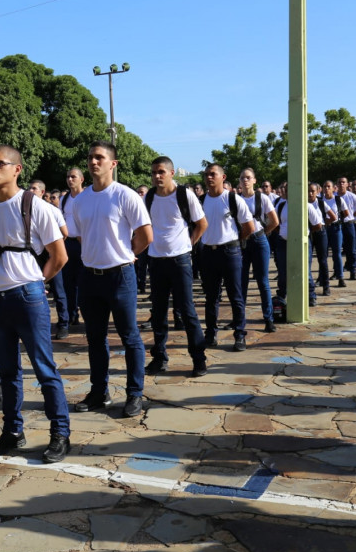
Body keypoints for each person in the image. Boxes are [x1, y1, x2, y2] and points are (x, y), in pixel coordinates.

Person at [0, 145, 70, 463]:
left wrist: (36, 282)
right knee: (6, 372)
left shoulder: (35, 206)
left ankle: (60, 433)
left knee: (44, 368)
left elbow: (60, 256)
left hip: (26, 297)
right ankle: (12, 432)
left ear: (17, 169)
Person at [72, 141, 152, 417]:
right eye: (90, 157)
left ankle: (134, 394)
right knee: (95, 338)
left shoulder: (125, 195)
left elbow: (146, 234)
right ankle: (99, 392)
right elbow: (80, 233)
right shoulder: (80, 199)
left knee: (129, 337)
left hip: (120, 275)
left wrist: (126, 253)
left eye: (100, 158)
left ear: (113, 164)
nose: (94, 162)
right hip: (90, 276)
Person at [144, 156, 208, 377]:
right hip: (156, 260)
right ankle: (159, 358)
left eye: (161, 172)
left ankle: (199, 359)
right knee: (159, 312)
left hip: (179, 261)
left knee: (187, 311)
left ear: (171, 173)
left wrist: (188, 245)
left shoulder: (184, 195)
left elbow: (202, 224)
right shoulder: (150, 197)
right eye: (153, 173)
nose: (157, 176)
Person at [199, 164, 254, 351]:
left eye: (213, 174)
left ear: (223, 177)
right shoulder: (200, 201)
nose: (208, 178)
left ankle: (239, 335)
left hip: (230, 253)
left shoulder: (232, 199)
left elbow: (249, 227)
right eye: (206, 174)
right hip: (208, 252)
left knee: (235, 297)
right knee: (211, 297)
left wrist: (235, 242)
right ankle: (210, 334)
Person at [237, 167, 278, 333]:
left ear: (254, 180)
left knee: (263, 282)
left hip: (259, 240)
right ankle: (240, 320)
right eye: (242, 178)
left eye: (248, 178)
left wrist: (262, 233)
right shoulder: (236, 199)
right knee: (241, 283)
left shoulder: (262, 198)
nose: (245, 180)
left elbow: (274, 221)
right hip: (242, 243)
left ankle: (268, 319)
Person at [28, 179, 70, 339]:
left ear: (42, 192)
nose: (30, 191)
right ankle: (37, 324)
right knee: (36, 291)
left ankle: (63, 324)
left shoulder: (51, 210)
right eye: (29, 188)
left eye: (34, 189)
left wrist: (53, 248)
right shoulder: (24, 210)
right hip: (33, 256)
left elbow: (64, 232)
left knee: (59, 291)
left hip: (51, 254)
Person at [59, 168, 85, 330]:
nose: (70, 179)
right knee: (68, 281)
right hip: (69, 243)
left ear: (81, 179)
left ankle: (86, 311)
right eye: (68, 176)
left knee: (84, 281)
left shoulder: (87, 197)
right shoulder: (64, 199)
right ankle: (71, 314)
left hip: (84, 243)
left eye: (73, 176)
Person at [336, 177, 356, 280]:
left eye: (343, 182)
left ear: (347, 184)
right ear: (337, 184)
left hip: (348, 224)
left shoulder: (352, 196)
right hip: (337, 225)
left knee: (351, 249)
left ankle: (353, 271)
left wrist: (351, 215)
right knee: (337, 250)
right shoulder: (334, 196)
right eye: (339, 182)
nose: (341, 184)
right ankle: (337, 272)